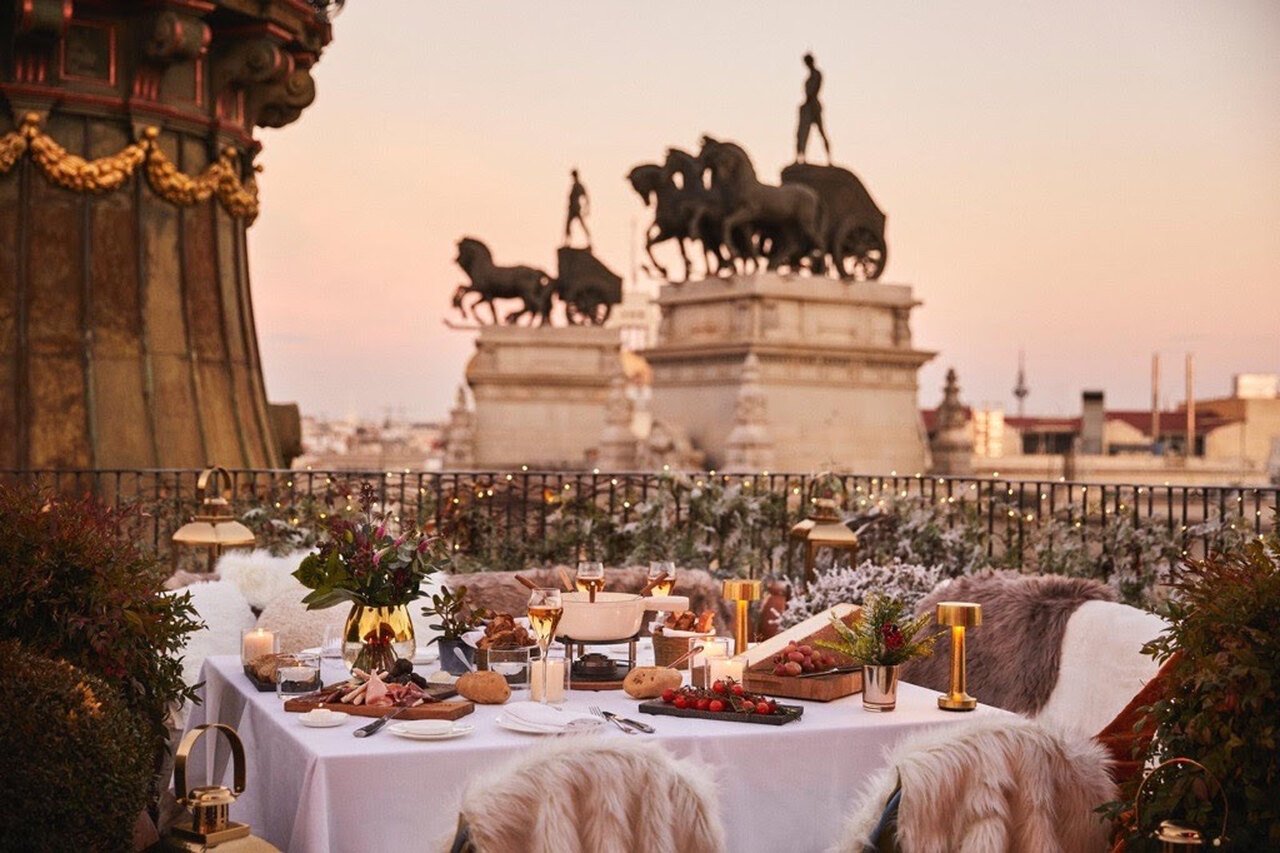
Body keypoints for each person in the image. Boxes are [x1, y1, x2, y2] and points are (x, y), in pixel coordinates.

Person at [795, 52, 832, 164]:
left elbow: (815, 90)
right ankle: (801, 158)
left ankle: (829, 159)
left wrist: (808, 101)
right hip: (808, 106)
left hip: (813, 106)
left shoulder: (817, 74)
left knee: (821, 132)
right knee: (803, 133)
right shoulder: (809, 77)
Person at [564, 168, 591, 247]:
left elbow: (586, 197)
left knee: (581, 225)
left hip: (576, 208)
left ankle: (589, 240)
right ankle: (567, 242)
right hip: (572, 208)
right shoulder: (574, 186)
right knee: (568, 225)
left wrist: (587, 208)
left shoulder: (579, 186)